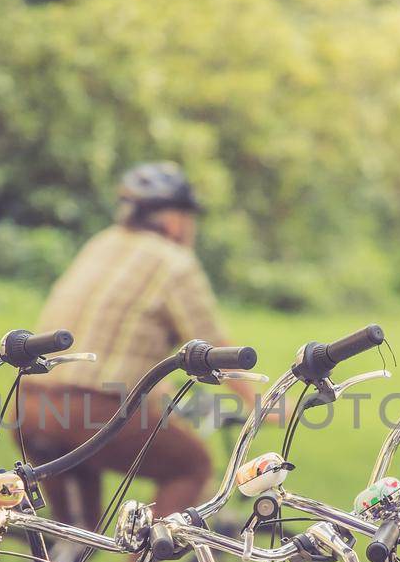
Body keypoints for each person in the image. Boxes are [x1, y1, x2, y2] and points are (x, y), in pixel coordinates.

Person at [14, 162, 260, 539]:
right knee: (192, 466)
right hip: (90, 411)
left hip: (28, 407)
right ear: (174, 220)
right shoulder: (174, 263)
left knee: (77, 535)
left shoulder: (101, 243)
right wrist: (262, 401)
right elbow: (214, 346)